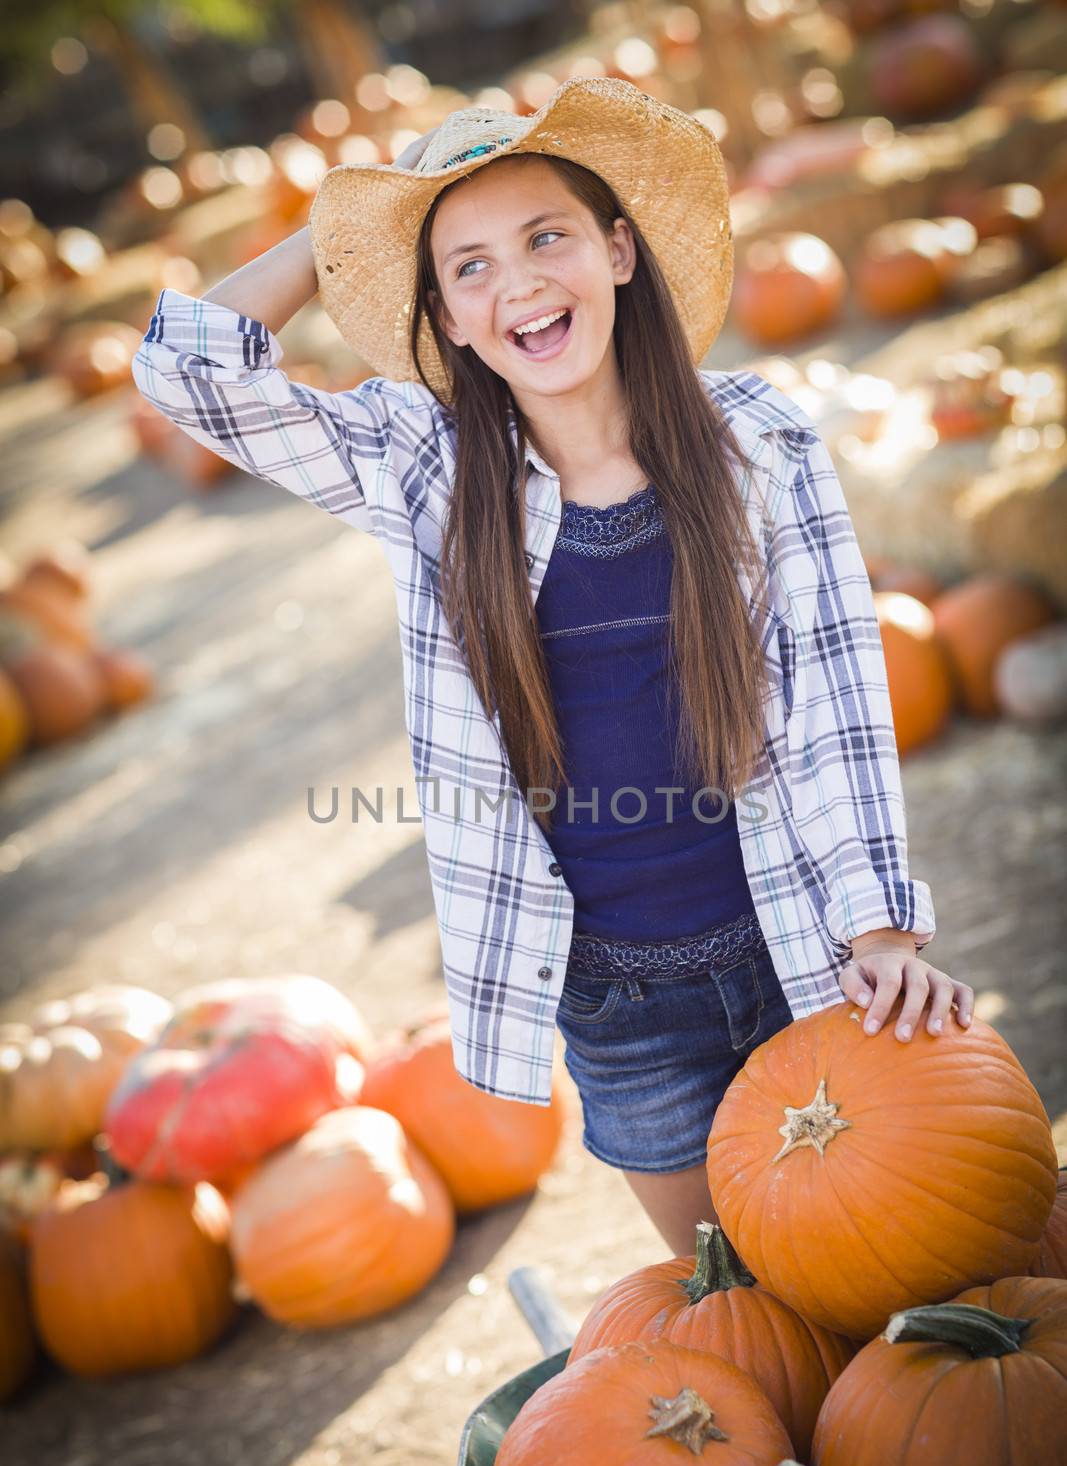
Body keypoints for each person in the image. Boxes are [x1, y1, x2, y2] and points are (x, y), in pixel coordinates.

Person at [132, 77, 973, 1255]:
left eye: (545, 237)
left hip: (797, 943)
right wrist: (336, 242)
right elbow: (185, 373)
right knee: (732, 1309)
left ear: (617, 251)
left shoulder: (755, 441)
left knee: (887, 1263)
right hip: (620, 1007)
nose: (517, 282)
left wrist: (880, 929)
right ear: (448, 319)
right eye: (467, 267)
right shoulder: (421, 465)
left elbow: (837, 699)